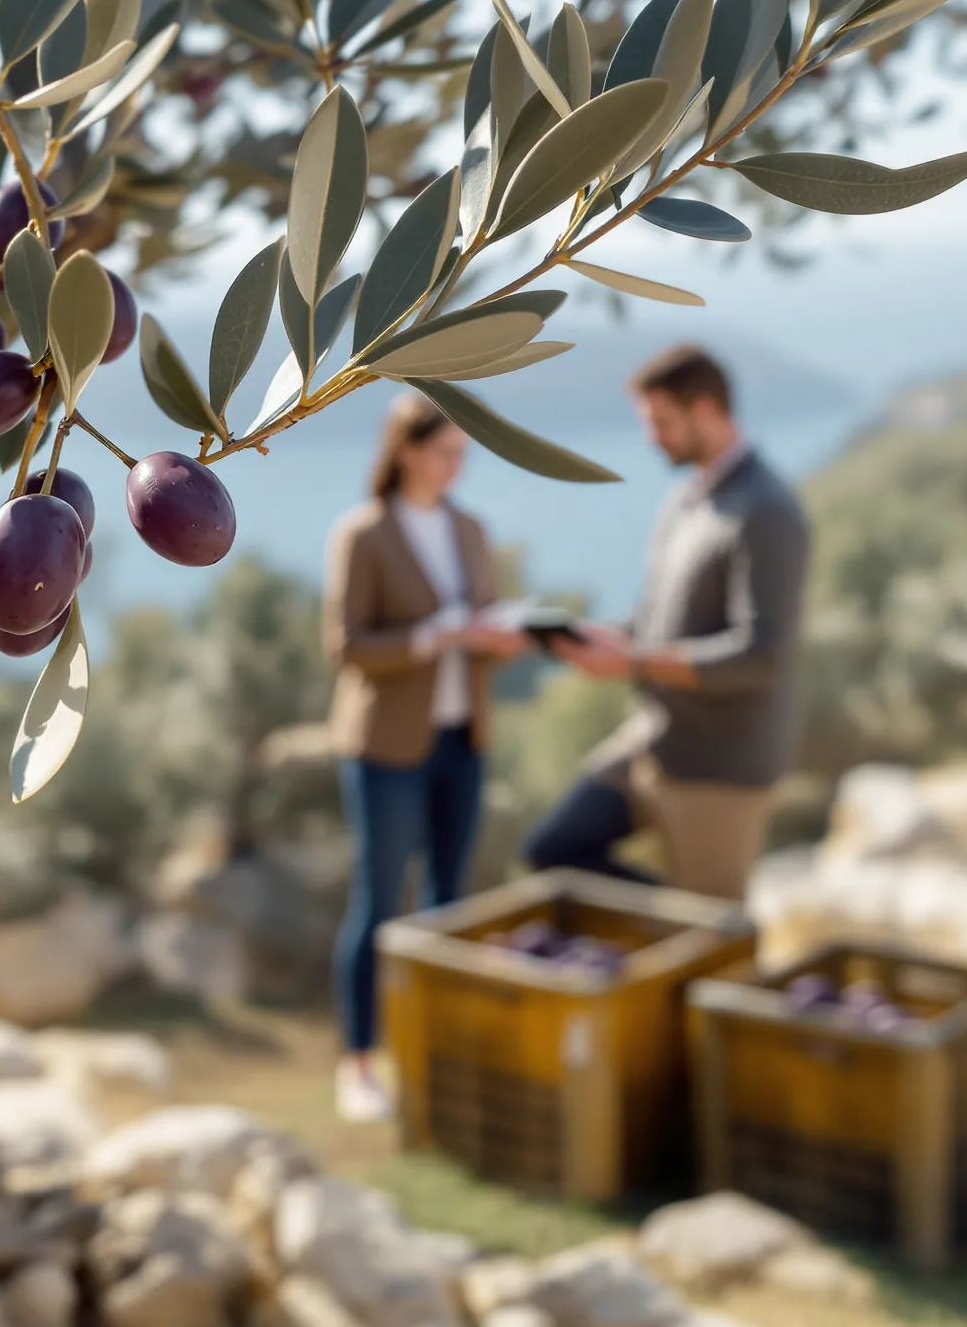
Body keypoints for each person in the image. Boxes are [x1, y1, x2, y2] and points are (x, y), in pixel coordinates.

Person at [526, 343, 810, 902]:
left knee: (709, 932)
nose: (652, 437)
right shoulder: (686, 499)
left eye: (661, 422)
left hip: (721, 769)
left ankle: (685, 940)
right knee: (555, 849)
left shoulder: (768, 510)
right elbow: (659, 616)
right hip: (654, 741)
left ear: (706, 411)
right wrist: (612, 637)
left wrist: (630, 661)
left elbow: (761, 656)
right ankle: (667, 934)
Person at [323, 393, 529, 1123]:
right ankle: (359, 1059)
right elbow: (346, 646)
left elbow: (484, 623)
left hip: (461, 737)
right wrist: (434, 638)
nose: (455, 466)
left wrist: (498, 639)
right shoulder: (365, 534)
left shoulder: (472, 530)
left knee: (451, 900)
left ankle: (434, 1049)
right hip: (386, 743)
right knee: (380, 901)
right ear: (406, 450)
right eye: (444, 451)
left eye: (461, 454)